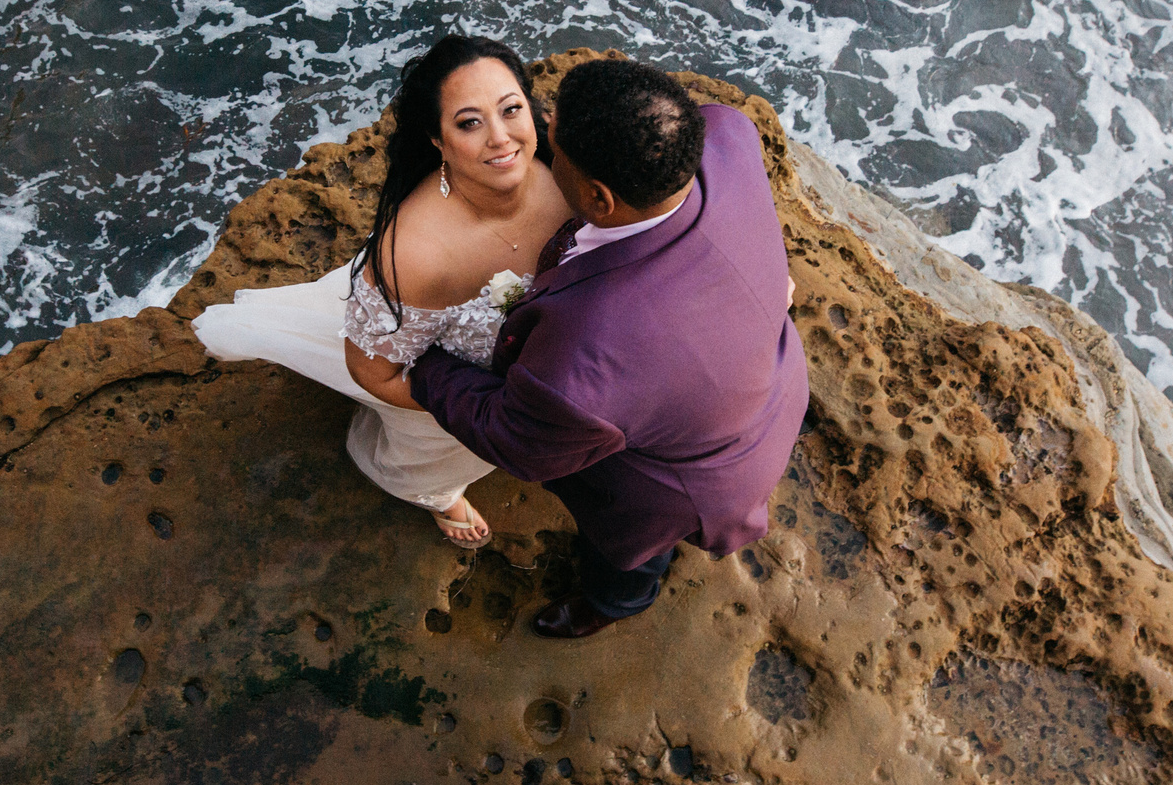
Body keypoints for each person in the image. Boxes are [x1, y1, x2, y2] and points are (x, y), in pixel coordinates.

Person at [408, 57, 808, 637]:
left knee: (629, 547)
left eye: (553, 138)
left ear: (597, 199)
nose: (541, 128)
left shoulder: (589, 358)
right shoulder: (727, 133)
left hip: (688, 485)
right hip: (770, 371)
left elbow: (515, 440)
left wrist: (426, 365)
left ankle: (617, 602)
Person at [192, 35, 572, 548]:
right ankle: (438, 495)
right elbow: (374, 371)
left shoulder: (567, 170)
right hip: (456, 389)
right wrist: (484, 411)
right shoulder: (413, 255)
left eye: (511, 109)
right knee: (435, 455)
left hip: (540, 364)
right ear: (436, 140)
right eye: (469, 122)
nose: (501, 138)